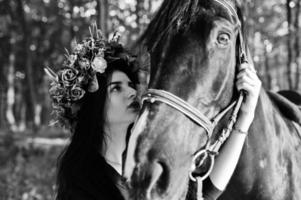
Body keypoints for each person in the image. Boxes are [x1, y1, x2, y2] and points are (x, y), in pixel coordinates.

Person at [46, 26, 261, 200]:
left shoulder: (145, 160)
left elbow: (205, 192)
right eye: (116, 88)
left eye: (130, 84)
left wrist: (246, 115)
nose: (132, 92)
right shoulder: (79, 183)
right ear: (93, 106)